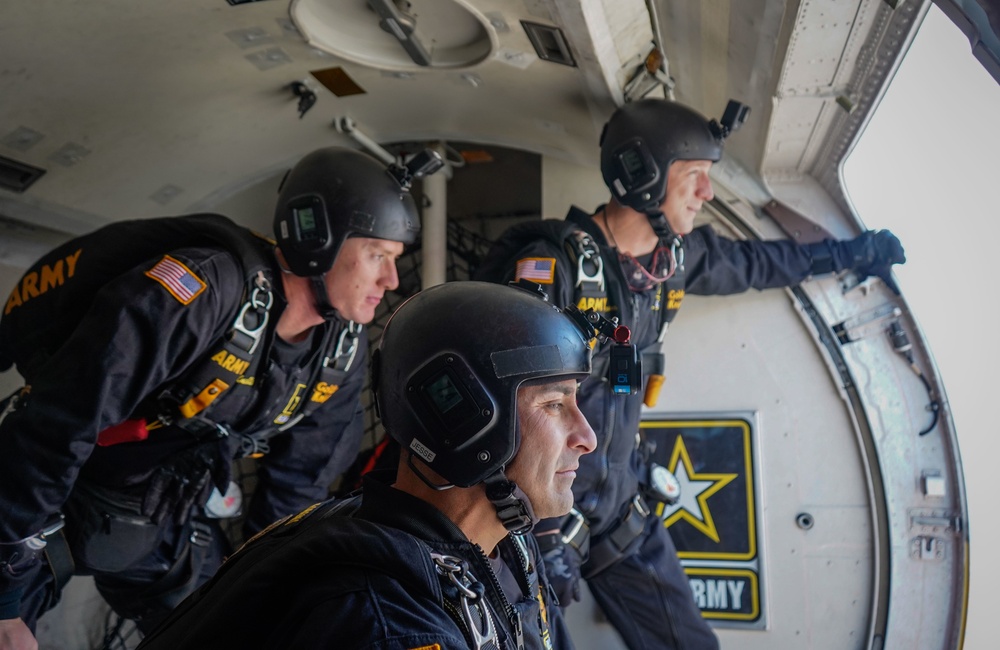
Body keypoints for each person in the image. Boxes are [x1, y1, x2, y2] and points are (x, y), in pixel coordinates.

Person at [473, 98, 906, 649]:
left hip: (618, 506)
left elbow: (757, 264)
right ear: (644, 177)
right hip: (539, 515)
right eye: (696, 177)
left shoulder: (672, 262)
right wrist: (546, 529)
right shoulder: (552, 266)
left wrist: (853, 253)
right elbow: (511, 400)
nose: (707, 193)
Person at [0, 146, 432, 649]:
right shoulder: (201, 291)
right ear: (319, 240)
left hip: (164, 522)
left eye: (394, 261)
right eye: (377, 255)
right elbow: (55, 427)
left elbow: (294, 493)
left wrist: (264, 601)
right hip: (49, 504)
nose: (391, 280)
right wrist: (5, 597)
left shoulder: (340, 351)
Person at [136, 281, 598, 649]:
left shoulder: (511, 549)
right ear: (466, 420)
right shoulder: (386, 620)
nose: (587, 438)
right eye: (555, 404)